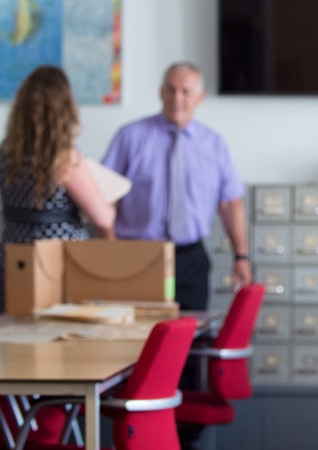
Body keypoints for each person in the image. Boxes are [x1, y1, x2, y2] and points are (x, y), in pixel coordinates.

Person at [101, 61, 252, 313]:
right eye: (170, 90)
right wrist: (113, 249)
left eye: (185, 91)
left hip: (190, 258)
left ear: (200, 97)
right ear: (161, 92)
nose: (177, 98)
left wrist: (241, 256)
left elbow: (230, 204)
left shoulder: (214, 144)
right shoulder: (130, 136)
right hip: (138, 255)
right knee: (135, 341)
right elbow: (104, 195)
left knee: (190, 340)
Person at [0, 65, 115, 314]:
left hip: (13, 253)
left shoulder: (6, 151)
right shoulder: (64, 158)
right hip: (56, 261)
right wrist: (111, 199)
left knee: (13, 330)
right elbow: (103, 218)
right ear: (65, 108)